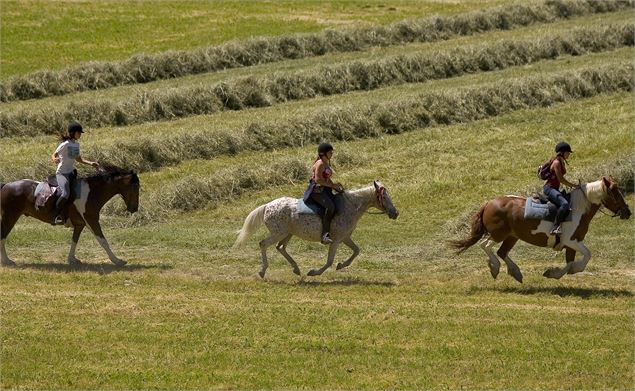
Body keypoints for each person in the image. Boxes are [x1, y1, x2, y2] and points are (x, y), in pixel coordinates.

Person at [51, 121, 99, 225]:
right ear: (73, 133)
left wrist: (91, 163)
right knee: (65, 193)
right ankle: (55, 215)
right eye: (79, 132)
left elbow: (79, 159)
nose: (80, 135)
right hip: (62, 173)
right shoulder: (65, 144)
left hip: (71, 173)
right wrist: (55, 159)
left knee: (78, 194)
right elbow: (54, 154)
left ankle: (72, 215)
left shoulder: (76, 144)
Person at [303, 143, 345, 244]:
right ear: (323, 154)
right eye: (330, 152)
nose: (332, 154)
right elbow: (318, 180)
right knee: (330, 207)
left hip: (325, 190)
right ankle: (324, 235)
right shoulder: (320, 163)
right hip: (316, 191)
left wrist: (335, 186)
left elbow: (326, 178)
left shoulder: (326, 163)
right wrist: (332, 186)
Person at [543, 141, 577, 235]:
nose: (569, 154)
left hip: (555, 188)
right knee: (565, 204)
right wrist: (573, 185)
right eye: (568, 152)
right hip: (549, 188)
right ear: (562, 152)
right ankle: (555, 227)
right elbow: (561, 179)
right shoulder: (557, 163)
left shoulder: (561, 162)